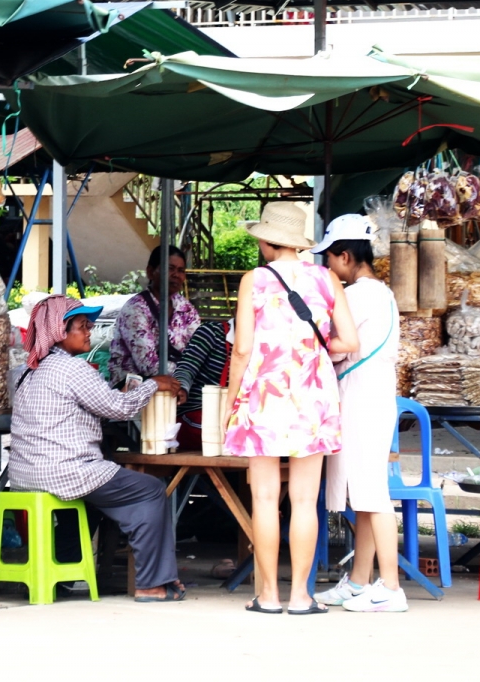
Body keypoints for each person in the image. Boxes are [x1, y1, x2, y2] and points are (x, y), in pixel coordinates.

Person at [224, 202, 359, 614]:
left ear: (266, 240)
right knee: (304, 500)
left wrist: (231, 400)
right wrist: (310, 351)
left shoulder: (255, 280)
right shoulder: (326, 278)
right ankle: (302, 597)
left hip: (264, 396)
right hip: (314, 396)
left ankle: (268, 596)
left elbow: (243, 348)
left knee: (264, 499)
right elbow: (349, 342)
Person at [9, 294, 187, 601]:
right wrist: (153, 384)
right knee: (150, 489)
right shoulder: (72, 369)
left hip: (26, 475)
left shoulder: (24, 372)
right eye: (82, 325)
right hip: (66, 471)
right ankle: (151, 583)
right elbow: (118, 408)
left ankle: (62, 576)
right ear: (60, 331)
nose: (89, 330)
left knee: (89, 502)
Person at [310, 215, 408, 613]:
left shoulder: (357, 297)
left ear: (345, 256)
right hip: (372, 392)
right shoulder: (380, 292)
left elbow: (336, 345)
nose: (327, 267)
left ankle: (391, 587)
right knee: (364, 494)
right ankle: (358, 582)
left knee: (373, 494)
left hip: (362, 395)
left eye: (330, 259)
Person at [109, 246, 200, 386]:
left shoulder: (186, 308)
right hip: (132, 392)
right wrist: (189, 372)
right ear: (151, 272)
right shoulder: (135, 309)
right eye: (170, 268)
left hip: (177, 385)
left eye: (181, 271)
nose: (176, 275)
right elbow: (148, 365)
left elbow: (199, 350)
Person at [172, 318, 232, 451]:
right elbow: (188, 365)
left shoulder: (264, 338)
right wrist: (181, 387)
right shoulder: (212, 332)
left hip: (233, 414)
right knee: (218, 433)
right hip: (197, 410)